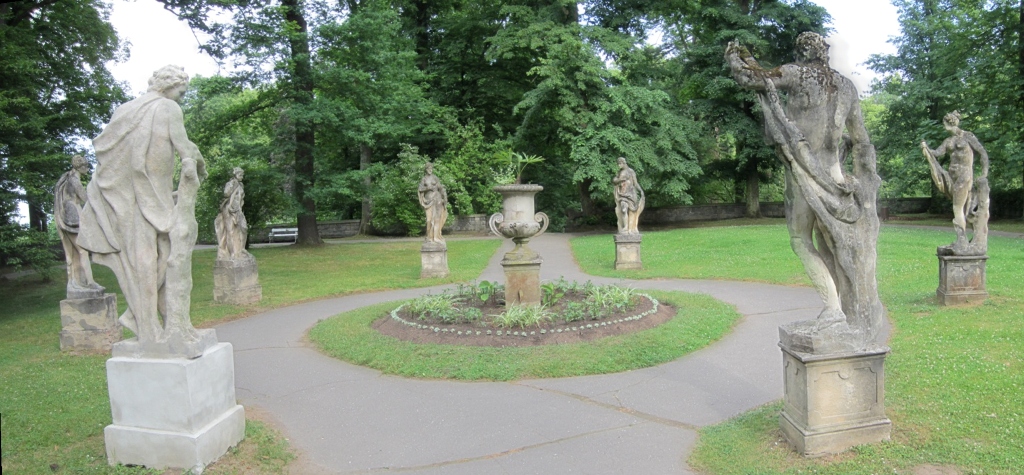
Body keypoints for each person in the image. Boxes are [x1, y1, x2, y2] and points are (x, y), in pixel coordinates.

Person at [725, 32, 883, 339]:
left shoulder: (797, 74)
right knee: (838, 247)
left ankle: (834, 308)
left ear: (804, 51)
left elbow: (752, 79)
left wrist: (734, 55)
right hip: (838, 179)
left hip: (805, 173)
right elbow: (862, 140)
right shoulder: (847, 87)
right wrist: (865, 185)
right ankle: (849, 313)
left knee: (800, 239)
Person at [78, 65, 207, 344]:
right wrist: (197, 165)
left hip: (123, 194)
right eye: (181, 92)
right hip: (149, 193)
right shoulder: (168, 107)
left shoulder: (124, 110)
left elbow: (106, 154)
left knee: (145, 257)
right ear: (170, 86)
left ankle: (147, 321)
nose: (182, 98)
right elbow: (184, 148)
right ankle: (149, 325)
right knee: (161, 254)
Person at [921, 111, 990, 254]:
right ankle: (963, 240)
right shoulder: (948, 141)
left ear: (951, 123)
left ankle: (961, 240)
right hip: (951, 177)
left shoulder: (968, 137)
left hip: (964, 176)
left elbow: (982, 153)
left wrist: (984, 174)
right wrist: (926, 148)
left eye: (945, 124)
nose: (944, 127)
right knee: (962, 209)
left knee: (957, 208)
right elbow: (937, 153)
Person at [54, 155, 104, 297]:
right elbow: (85, 198)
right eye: (85, 166)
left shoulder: (69, 178)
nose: (87, 169)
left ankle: (80, 282)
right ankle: (89, 282)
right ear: (79, 167)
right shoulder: (74, 181)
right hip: (71, 218)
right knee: (82, 251)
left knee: (77, 252)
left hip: (71, 216)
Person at [215, 167, 250, 260]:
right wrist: (232, 185)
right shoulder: (230, 184)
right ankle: (233, 254)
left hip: (238, 210)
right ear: (235, 175)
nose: (242, 177)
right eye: (240, 175)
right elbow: (226, 194)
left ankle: (241, 249)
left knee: (244, 228)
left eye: (242, 175)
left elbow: (241, 198)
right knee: (230, 232)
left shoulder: (241, 185)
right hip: (229, 210)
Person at [612, 157, 644, 235]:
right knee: (623, 209)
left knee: (632, 211)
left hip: (631, 194)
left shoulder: (631, 171)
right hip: (622, 194)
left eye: (620, 164)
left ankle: (632, 228)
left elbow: (636, 183)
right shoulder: (620, 172)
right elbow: (614, 180)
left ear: (624, 163)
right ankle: (625, 227)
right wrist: (620, 180)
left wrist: (641, 190)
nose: (619, 165)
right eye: (618, 164)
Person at [418, 162, 448, 243]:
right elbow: (420, 189)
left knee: (437, 219)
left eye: (431, 168)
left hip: (437, 200)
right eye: (428, 168)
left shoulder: (435, 178)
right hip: (428, 201)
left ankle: (436, 237)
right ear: (426, 169)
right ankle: (429, 237)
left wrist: (445, 198)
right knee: (429, 220)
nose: (430, 170)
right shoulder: (424, 179)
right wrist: (428, 188)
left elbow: (441, 188)